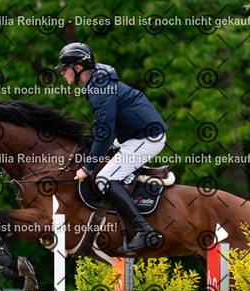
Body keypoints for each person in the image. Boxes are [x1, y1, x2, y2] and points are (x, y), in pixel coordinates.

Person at [55, 42, 168, 254]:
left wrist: (87, 168)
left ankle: (144, 231)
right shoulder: (97, 83)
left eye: (65, 68)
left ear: (78, 68)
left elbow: (105, 134)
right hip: (132, 137)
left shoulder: (99, 88)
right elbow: (101, 127)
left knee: (103, 179)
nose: (62, 73)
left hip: (147, 139)